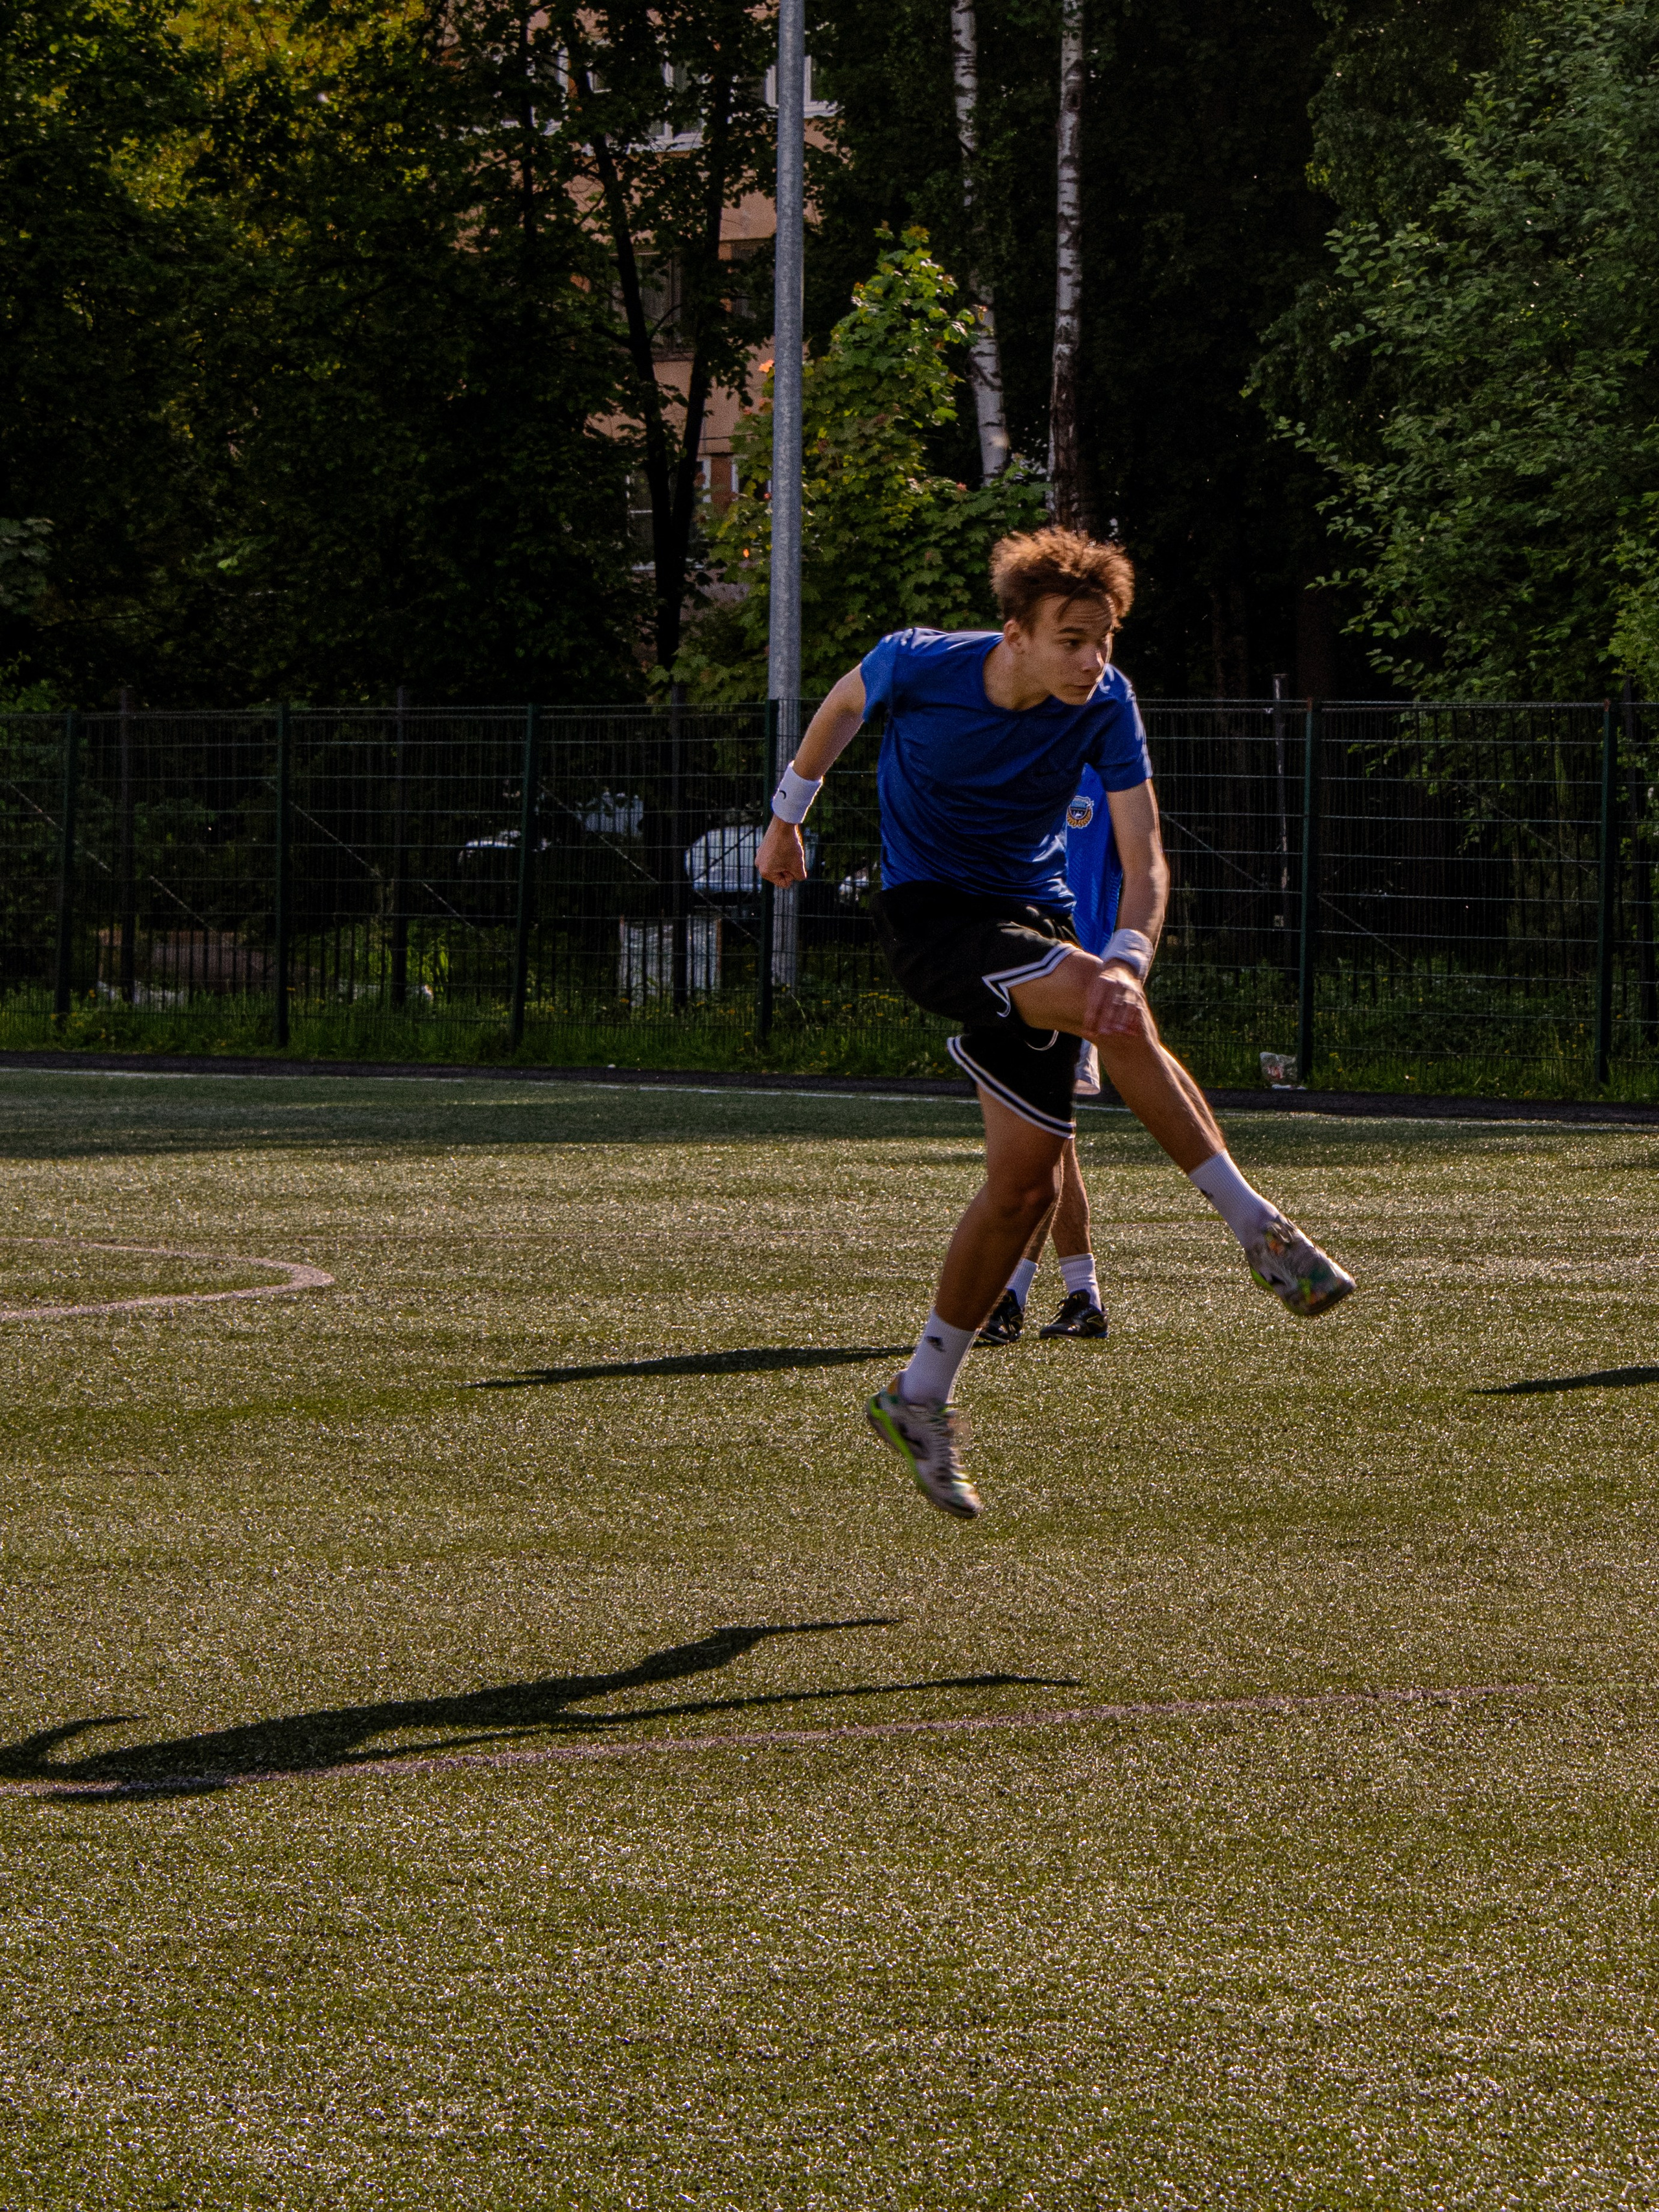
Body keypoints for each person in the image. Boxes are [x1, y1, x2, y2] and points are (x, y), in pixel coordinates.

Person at [756, 527, 1354, 1522]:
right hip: (933, 918)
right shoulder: (920, 661)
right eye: (1071, 639)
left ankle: (919, 1396)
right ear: (1015, 634)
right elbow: (841, 708)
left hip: (1036, 924)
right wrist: (788, 817)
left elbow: (1146, 853)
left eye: (1104, 639)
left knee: (1024, 1184)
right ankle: (1261, 1232)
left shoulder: (1106, 704)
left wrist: (1128, 954)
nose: (1093, 660)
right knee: (1101, 1009)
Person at [977, 761, 1115, 1347]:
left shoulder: (1108, 775)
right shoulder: (1019, 760)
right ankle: (1081, 1296)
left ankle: (1011, 1296)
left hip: (1070, 972)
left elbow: (1141, 872)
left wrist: (1119, 965)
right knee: (1053, 1138)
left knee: (1036, 1134)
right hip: (1019, 970)